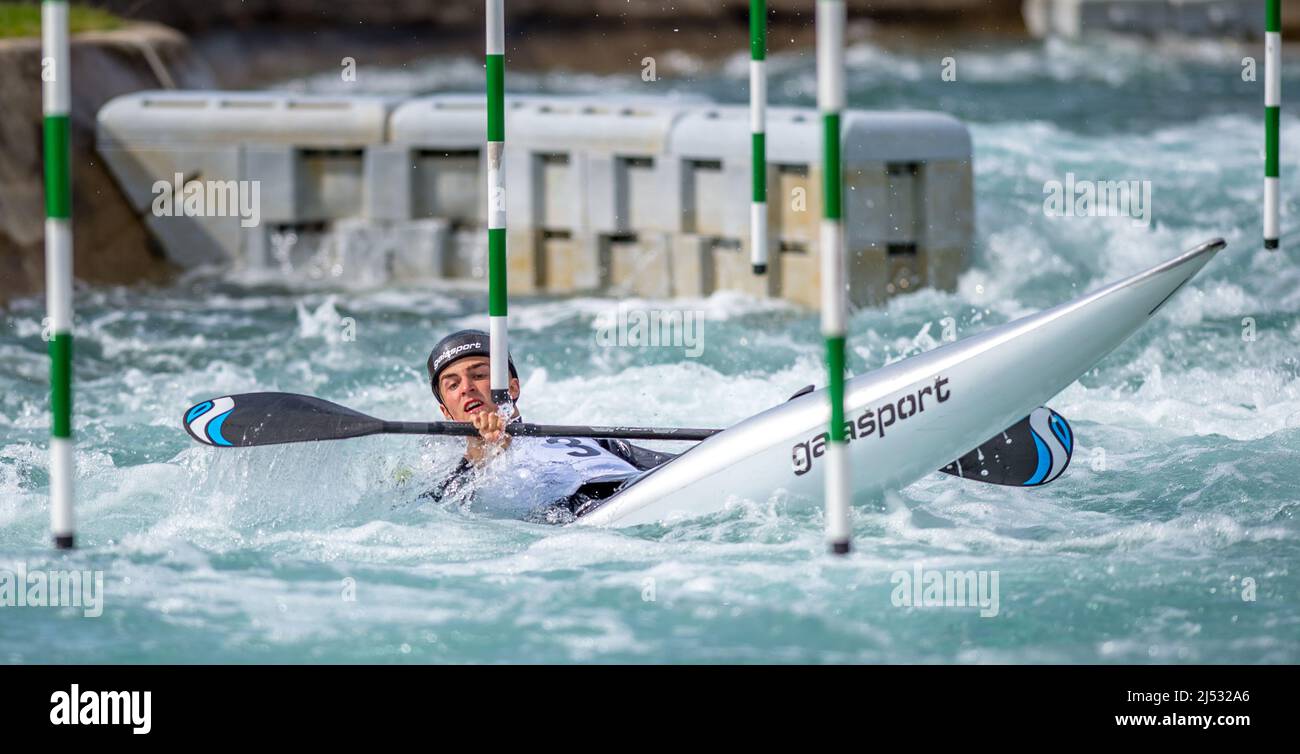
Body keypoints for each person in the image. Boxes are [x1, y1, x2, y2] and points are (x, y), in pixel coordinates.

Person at [422, 329, 675, 517]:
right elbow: (442, 513)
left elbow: (673, 465)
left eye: (478, 375)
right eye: (453, 385)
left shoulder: (582, 435)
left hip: (634, 487)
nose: (467, 388)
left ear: (512, 387)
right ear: (446, 412)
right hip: (572, 518)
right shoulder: (448, 470)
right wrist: (479, 454)